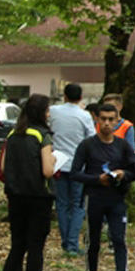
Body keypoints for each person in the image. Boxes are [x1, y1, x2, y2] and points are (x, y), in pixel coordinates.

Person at [69, 102, 135, 271]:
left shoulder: (123, 145)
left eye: (111, 119)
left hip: (117, 199)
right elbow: (75, 173)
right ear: (97, 120)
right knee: (93, 241)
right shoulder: (87, 145)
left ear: (117, 121)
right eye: (103, 119)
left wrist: (122, 174)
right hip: (94, 198)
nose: (107, 123)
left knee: (119, 239)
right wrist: (96, 179)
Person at [0, 94, 56, 271]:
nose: (49, 114)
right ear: (41, 113)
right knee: (36, 247)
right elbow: (47, 170)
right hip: (38, 198)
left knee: (17, 244)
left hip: (15, 196)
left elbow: (2, 167)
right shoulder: (42, 136)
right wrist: (54, 160)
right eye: (48, 110)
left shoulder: (13, 134)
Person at [48, 83, 95, 255]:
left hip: (58, 164)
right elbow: (91, 139)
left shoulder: (53, 111)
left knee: (61, 204)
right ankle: (72, 244)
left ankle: (65, 241)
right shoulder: (85, 116)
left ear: (64, 96)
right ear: (80, 98)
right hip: (79, 165)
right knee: (78, 205)